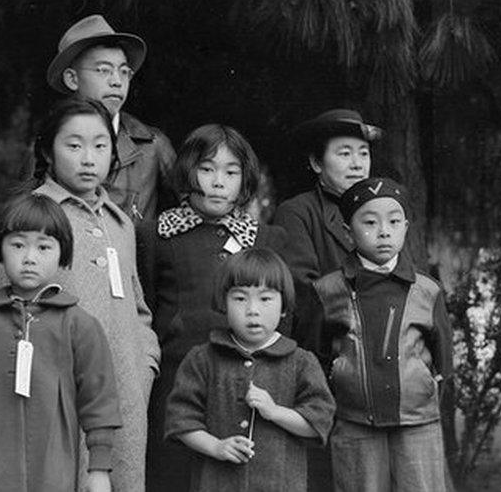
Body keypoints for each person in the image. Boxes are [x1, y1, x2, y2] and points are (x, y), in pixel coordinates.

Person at [0, 97, 159, 492]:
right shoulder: (30, 216)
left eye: (100, 146)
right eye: (74, 145)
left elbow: (138, 306)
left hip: (124, 397)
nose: (88, 158)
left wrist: (143, 363)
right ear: (48, 150)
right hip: (53, 397)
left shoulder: (120, 223)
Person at [137, 124, 287, 491]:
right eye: (207, 169)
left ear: (244, 179)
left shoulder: (266, 239)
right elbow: (146, 307)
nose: (219, 181)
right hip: (175, 384)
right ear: (188, 171)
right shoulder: (155, 235)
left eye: (231, 172)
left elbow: (287, 317)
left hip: (246, 385)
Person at [0, 193, 121, 492]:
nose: (29, 258)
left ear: (63, 254)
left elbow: (99, 401)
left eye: (44, 246)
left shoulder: (80, 325)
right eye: (18, 245)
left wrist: (98, 469)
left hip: (53, 473)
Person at [312, 177, 453, 491]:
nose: (384, 231)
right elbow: (316, 359)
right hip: (354, 423)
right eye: (370, 222)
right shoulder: (329, 290)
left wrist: (423, 393)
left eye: (393, 221)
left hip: (418, 423)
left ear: (405, 227)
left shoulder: (426, 290)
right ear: (348, 231)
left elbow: (444, 359)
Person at [163, 248, 335, 492]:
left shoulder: (301, 362)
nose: (252, 309)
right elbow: (180, 421)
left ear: (284, 306)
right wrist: (216, 447)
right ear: (223, 303)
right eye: (240, 298)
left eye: (265, 299)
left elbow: (318, 422)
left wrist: (274, 411)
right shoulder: (202, 359)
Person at [271, 108, 381, 490]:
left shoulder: (382, 213)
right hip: (325, 368)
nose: (356, 164)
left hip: (380, 370)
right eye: (344, 153)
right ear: (317, 162)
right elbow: (306, 294)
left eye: (363, 153)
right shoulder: (298, 212)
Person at [46, 14, 176, 222]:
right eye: (103, 70)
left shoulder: (152, 146)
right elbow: (24, 222)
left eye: (124, 72)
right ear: (72, 79)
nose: (117, 81)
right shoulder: (48, 144)